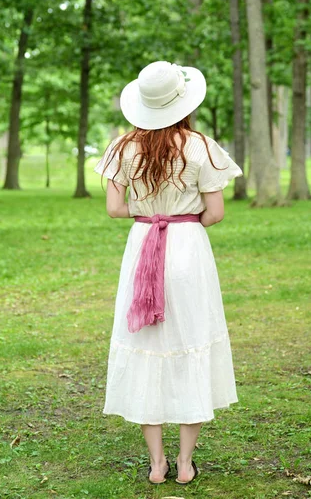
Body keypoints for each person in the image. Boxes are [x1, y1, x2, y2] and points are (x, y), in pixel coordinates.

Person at [94, 61, 243, 485]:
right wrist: (181, 218)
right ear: (183, 103)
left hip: (143, 246)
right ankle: (184, 463)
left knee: (148, 345)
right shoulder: (200, 146)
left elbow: (114, 209)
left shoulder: (123, 149)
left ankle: (156, 464)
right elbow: (215, 213)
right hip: (187, 250)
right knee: (190, 339)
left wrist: (149, 215)